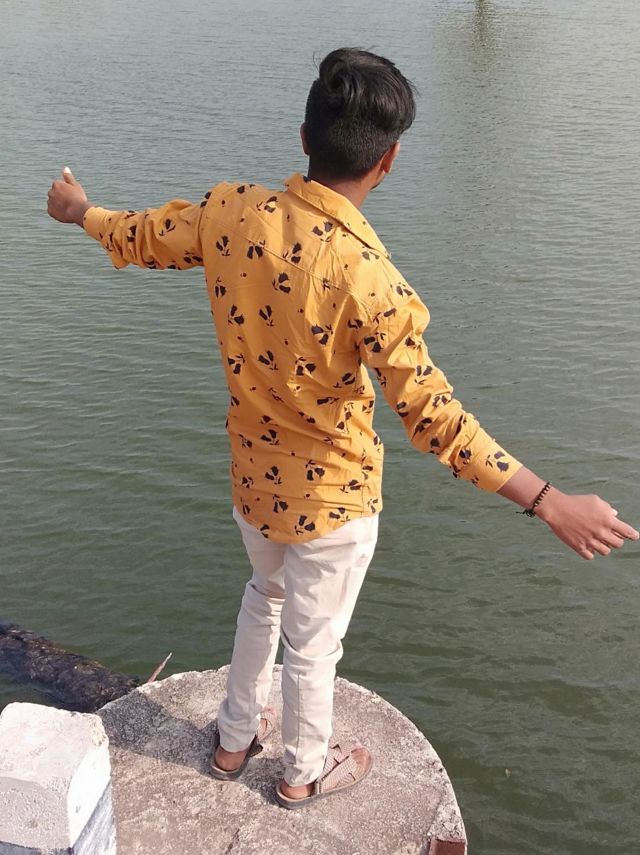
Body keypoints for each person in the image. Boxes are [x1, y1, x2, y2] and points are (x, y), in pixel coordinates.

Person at [47, 47, 638, 809]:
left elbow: (144, 235)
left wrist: (80, 211)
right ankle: (301, 773)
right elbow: (434, 418)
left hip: (253, 480)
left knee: (263, 593)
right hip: (334, 498)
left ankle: (232, 739)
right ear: (388, 162)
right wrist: (549, 501)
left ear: (304, 138)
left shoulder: (233, 211)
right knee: (314, 645)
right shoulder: (370, 279)